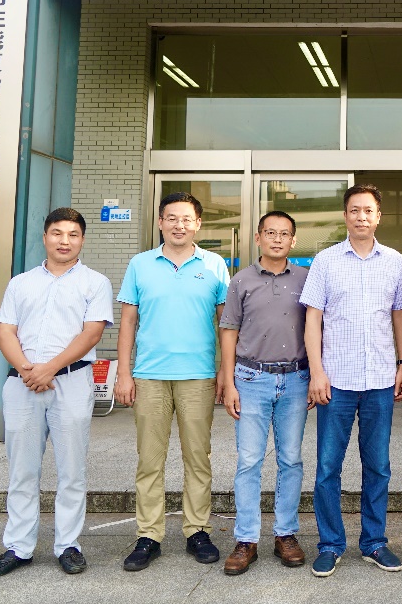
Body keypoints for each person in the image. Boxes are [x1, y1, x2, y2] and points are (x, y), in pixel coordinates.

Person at [0, 208, 113, 579]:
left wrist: (49, 368)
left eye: (73, 234)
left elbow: (91, 333)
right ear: (45, 237)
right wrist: (28, 369)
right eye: (57, 233)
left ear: (82, 240)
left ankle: (68, 545)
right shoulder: (20, 283)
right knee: (22, 470)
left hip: (71, 382)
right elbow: (5, 332)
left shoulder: (95, 282)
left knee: (72, 470)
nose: (64, 241)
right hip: (22, 383)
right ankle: (18, 547)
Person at [113, 192, 229, 571]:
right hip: (149, 376)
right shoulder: (140, 264)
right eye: (172, 218)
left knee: (198, 459)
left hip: (198, 376)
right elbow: (128, 321)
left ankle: (198, 530)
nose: (180, 225)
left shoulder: (214, 265)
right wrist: (124, 373)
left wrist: (226, 373)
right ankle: (149, 535)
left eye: (187, 219)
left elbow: (226, 324)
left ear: (198, 224)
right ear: (160, 222)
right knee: (150, 460)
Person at [300, 184, 402, 578]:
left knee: (378, 466)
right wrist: (316, 372)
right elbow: (312, 319)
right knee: (328, 467)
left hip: (380, 379)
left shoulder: (395, 261)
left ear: (378, 216)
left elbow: (401, 318)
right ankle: (330, 544)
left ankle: (374, 542)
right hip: (336, 381)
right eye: (354, 210)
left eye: (368, 211)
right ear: (345, 216)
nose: (361, 217)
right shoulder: (325, 261)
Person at [216, 211, 310, 576]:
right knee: (249, 460)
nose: (277, 239)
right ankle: (246, 539)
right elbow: (228, 330)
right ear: (258, 238)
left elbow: (317, 327)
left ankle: (285, 533)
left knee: (291, 459)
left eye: (284, 234)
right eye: (270, 232)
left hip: (296, 379)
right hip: (251, 378)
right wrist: (228, 381)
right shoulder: (241, 280)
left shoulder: (305, 278)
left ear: (293, 240)